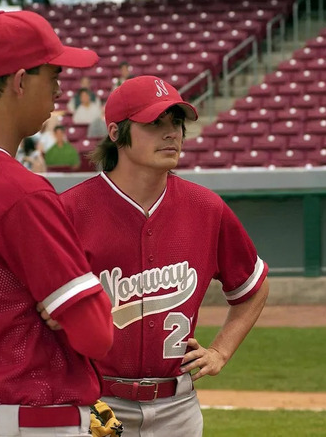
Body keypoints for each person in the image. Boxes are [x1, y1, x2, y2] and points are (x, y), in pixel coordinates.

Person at [0, 10, 116, 437]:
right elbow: (95, 335)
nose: (58, 90)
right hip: (35, 419)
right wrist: (92, 300)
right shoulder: (20, 189)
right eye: (52, 75)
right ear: (18, 81)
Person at [55, 75, 270, 436]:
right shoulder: (71, 210)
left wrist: (219, 351)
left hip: (178, 408)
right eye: (155, 124)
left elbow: (253, 288)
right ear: (115, 132)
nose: (172, 134)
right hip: (96, 402)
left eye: (176, 123)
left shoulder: (206, 208)